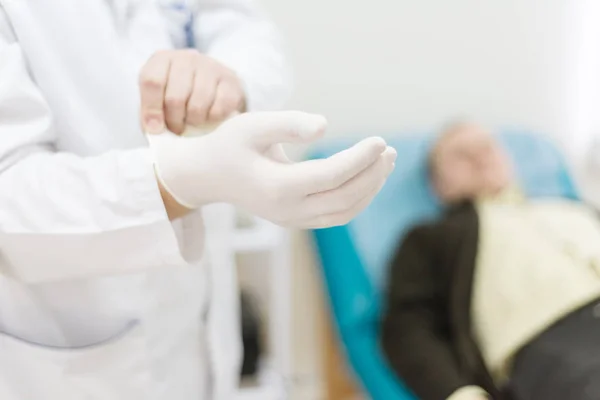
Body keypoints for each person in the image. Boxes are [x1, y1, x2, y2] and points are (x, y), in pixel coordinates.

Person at [0, 1, 396, 399]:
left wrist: (228, 85)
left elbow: (243, 27)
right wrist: (175, 181)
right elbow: (10, 196)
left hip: (197, 336)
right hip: (63, 359)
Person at [381, 122, 600, 400]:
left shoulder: (572, 207)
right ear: (437, 184)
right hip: (557, 341)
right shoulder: (432, 238)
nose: (479, 157)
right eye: (461, 154)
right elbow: (407, 327)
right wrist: (459, 393)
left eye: (487, 147)